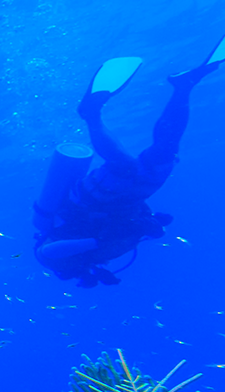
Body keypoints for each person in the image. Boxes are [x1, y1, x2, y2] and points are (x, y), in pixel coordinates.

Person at [32, 39, 224, 286]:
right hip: (131, 199)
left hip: (89, 202)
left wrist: (98, 242)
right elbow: (134, 225)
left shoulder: (65, 258)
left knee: (124, 167)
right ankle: (184, 86)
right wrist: (151, 227)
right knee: (164, 153)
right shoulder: (105, 255)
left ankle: (91, 114)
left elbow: (47, 253)